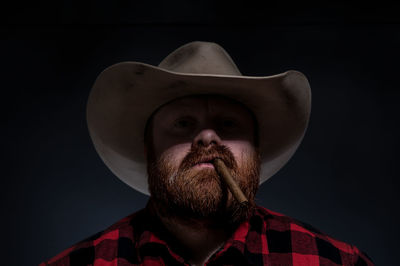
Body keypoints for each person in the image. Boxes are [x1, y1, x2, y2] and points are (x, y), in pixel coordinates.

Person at [41, 42, 373, 265]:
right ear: (149, 149)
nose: (208, 137)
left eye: (228, 124)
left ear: (256, 151)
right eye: (183, 123)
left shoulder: (333, 261)